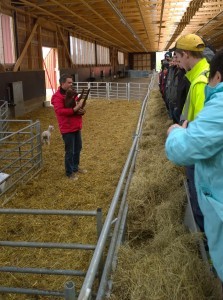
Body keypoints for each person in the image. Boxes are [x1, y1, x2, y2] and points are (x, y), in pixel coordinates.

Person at [165, 49, 223, 282]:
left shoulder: (207, 92)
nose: (176, 62)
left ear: (217, 77)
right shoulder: (194, 81)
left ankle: (208, 256)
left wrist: (176, 132)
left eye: (179, 56)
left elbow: (188, 147)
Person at [170, 33, 210, 232]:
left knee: (200, 200)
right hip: (196, 146)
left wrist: (183, 131)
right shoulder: (201, 76)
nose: (178, 61)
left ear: (186, 54)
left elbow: (205, 129)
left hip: (199, 154)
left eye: (178, 56)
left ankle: (207, 249)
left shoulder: (200, 82)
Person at [51, 74, 87, 180]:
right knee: (70, 151)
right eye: (69, 82)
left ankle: (75, 167)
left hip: (76, 125)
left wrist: (81, 110)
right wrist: (74, 110)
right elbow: (60, 111)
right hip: (67, 127)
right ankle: (69, 172)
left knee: (78, 148)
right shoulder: (57, 97)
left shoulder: (72, 94)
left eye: (72, 82)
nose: (71, 84)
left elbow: (77, 104)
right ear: (62, 83)